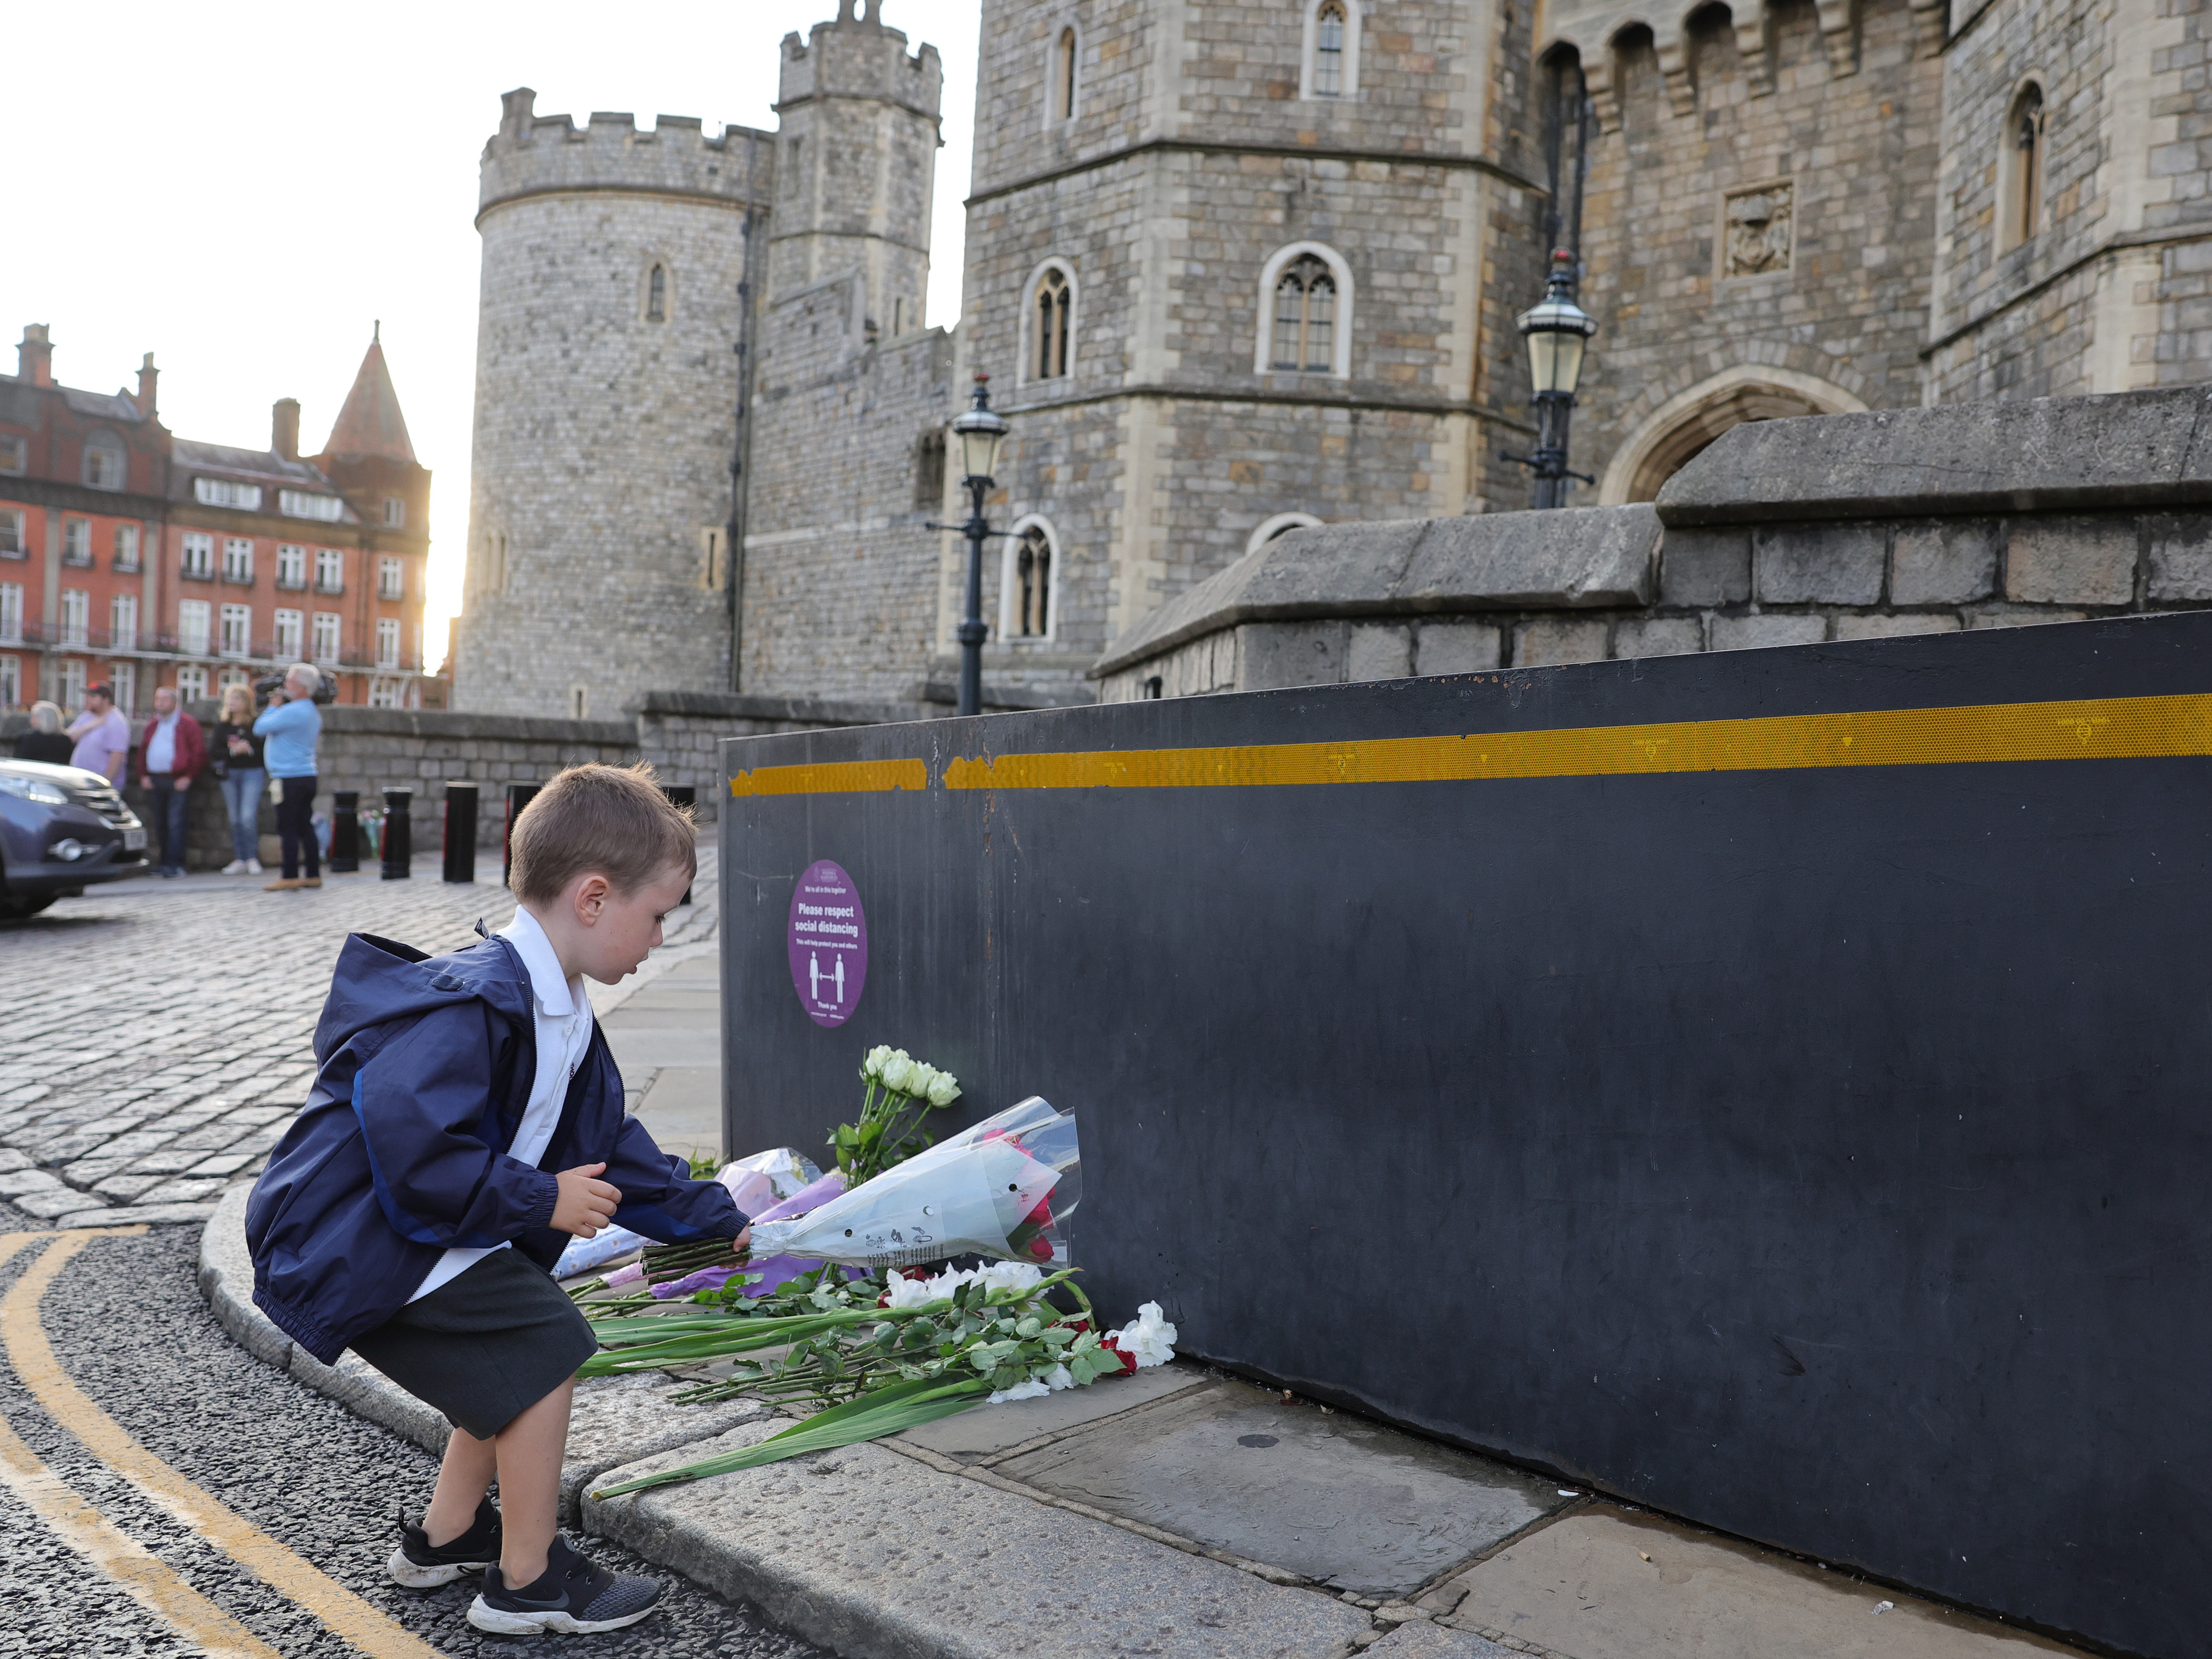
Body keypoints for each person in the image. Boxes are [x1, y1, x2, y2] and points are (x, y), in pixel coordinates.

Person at [246, 764, 740, 1636]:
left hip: (414, 1231)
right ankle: (528, 1580)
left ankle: (445, 1536)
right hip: (358, 1241)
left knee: (510, 1351)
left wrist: (715, 1217)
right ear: (593, 898)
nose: (663, 935)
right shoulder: (471, 1001)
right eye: (661, 913)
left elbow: (610, 1147)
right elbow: (416, 1151)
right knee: (546, 1341)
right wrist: (540, 1194)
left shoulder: (564, 1007)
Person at [253, 664, 323, 891]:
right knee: (305, 827)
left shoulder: (293, 711)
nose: (285, 686)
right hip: (306, 775)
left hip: (289, 777)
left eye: (291, 682)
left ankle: (290, 875)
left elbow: (260, 728)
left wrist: (273, 707)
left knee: (288, 828)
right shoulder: (311, 710)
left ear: (302, 687)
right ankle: (313, 874)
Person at [137, 686, 207, 878]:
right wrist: (143, 775)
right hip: (155, 779)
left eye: (164, 699)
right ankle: (163, 863)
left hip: (177, 780)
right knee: (160, 823)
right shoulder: (153, 724)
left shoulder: (187, 724)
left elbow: (198, 753)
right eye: (157, 699)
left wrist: (188, 777)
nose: (159, 703)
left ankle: (175, 864)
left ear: (174, 702)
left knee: (176, 822)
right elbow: (143, 750)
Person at [210, 683, 265, 875]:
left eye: (236, 699)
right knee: (235, 819)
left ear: (246, 702)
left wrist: (248, 750)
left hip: (253, 772)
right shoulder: (223, 726)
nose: (232, 703)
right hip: (230, 774)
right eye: (229, 699)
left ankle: (252, 857)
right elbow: (214, 751)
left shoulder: (256, 724)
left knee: (247, 817)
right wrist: (232, 752)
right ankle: (240, 858)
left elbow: (264, 750)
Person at [65, 684, 130, 784]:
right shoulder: (88, 716)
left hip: (98, 783)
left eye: (93, 697)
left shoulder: (117, 722)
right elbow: (68, 737)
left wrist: (106, 783)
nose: (89, 700)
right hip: (80, 780)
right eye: (88, 697)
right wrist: (90, 726)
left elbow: (117, 755)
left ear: (106, 700)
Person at [12, 701, 74, 765]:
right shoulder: (65, 741)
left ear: (43, 719)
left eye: (34, 717)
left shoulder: (28, 739)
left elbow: (19, 762)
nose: (31, 721)